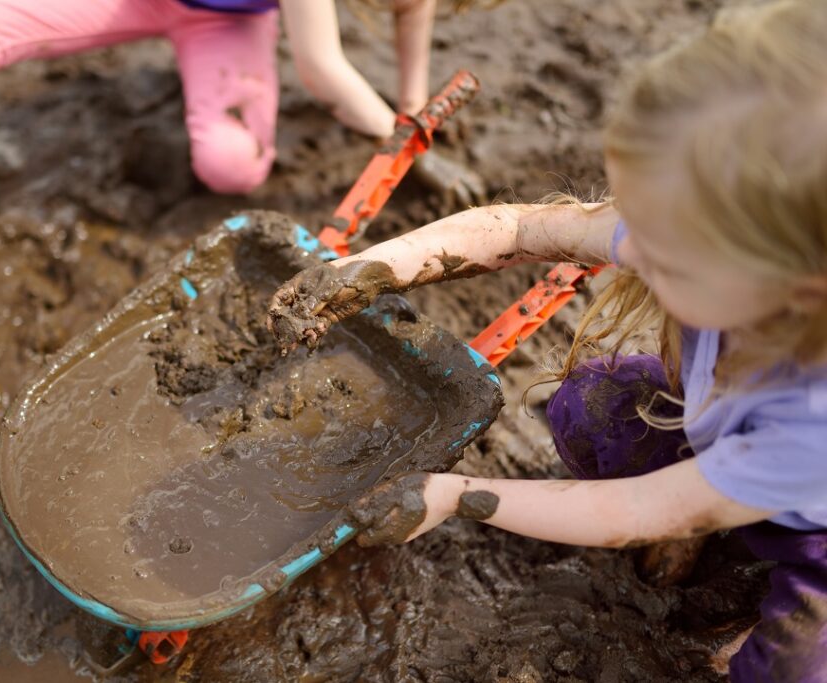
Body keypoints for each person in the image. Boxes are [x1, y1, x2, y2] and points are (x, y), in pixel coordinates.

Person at [267, 1, 827, 679]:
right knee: (594, 406)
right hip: (731, 438)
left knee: (788, 666)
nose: (631, 248)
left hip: (814, 532)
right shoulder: (705, 241)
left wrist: (456, 492)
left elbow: (641, 511)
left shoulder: (809, 421)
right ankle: (716, 504)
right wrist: (372, 269)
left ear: (794, 291)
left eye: (664, 252)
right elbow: (519, 230)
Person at [0, 0, 484, 353]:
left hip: (221, 18)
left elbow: (412, 13)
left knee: (232, 164)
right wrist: (417, 152)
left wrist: (414, 125)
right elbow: (322, 68)